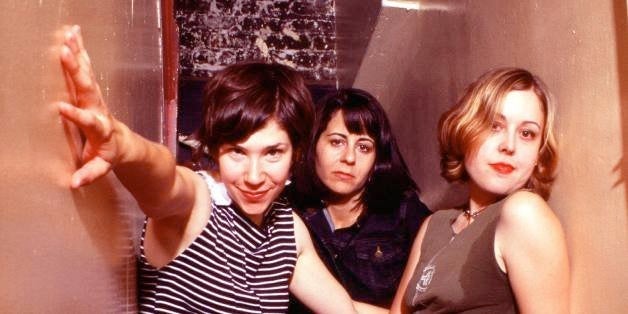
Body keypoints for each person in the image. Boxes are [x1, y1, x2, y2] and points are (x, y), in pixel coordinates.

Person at [57, 25, 383, 314]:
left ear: (296, 153)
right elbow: (165, 181)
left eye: (273, 153)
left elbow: (343, 309)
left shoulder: (288, 228)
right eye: (237, 152)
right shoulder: (198, 204)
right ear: (215, 150)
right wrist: (122, 145)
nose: (254, 177)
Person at [390, 67, 570, 313]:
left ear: (539, 154)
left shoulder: (524, 213)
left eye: (527, 133)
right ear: (465, 132)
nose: (509, 145)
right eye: (494, 126)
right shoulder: (434, 224)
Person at [287, 88, 431, 312]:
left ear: (377, 160)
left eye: (364, 147)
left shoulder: (404, 213)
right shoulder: (287, 210)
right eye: (337, 142)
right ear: (313, 145)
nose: (349, 158)